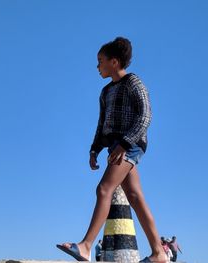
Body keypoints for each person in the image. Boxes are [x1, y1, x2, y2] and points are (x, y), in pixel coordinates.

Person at [56, 37, 167, 263]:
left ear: (114, 62)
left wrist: (126, 143)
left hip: (130, 145)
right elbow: (101, 124)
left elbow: (146, 115)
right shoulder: (105, 91)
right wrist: (94, 149)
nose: (97, 66)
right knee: (135, 197)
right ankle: (159, 253)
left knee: (104, 189)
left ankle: (86, 246)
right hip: (114, 147)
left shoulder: (133, 82)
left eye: (100, 61)